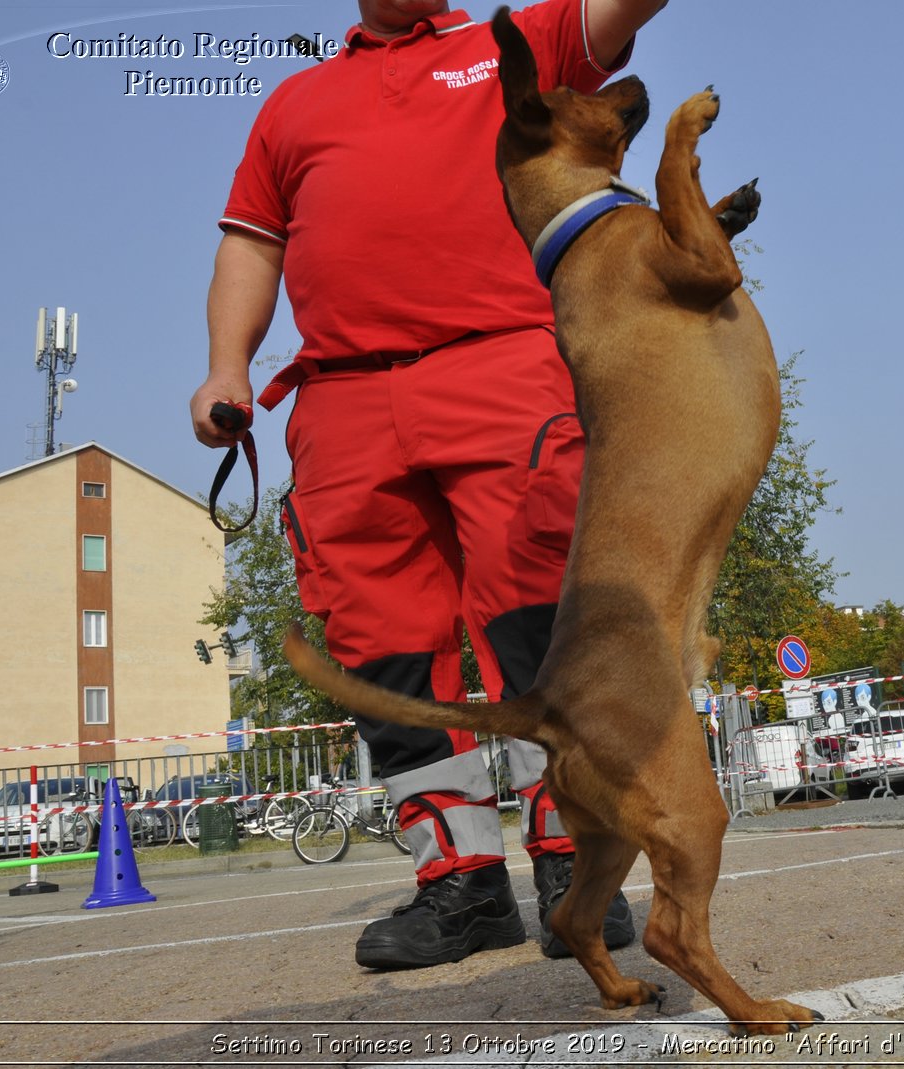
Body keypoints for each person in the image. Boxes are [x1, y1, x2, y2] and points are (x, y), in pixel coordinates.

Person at [190, 0, 669, 971]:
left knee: (540, 630)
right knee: (383, 658)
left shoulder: (513, 43)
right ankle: (459, 884)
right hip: (344, 400)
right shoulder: (294, 104)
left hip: (502, 369)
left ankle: (576, 866)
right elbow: (253, 241)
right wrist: (225, 365)